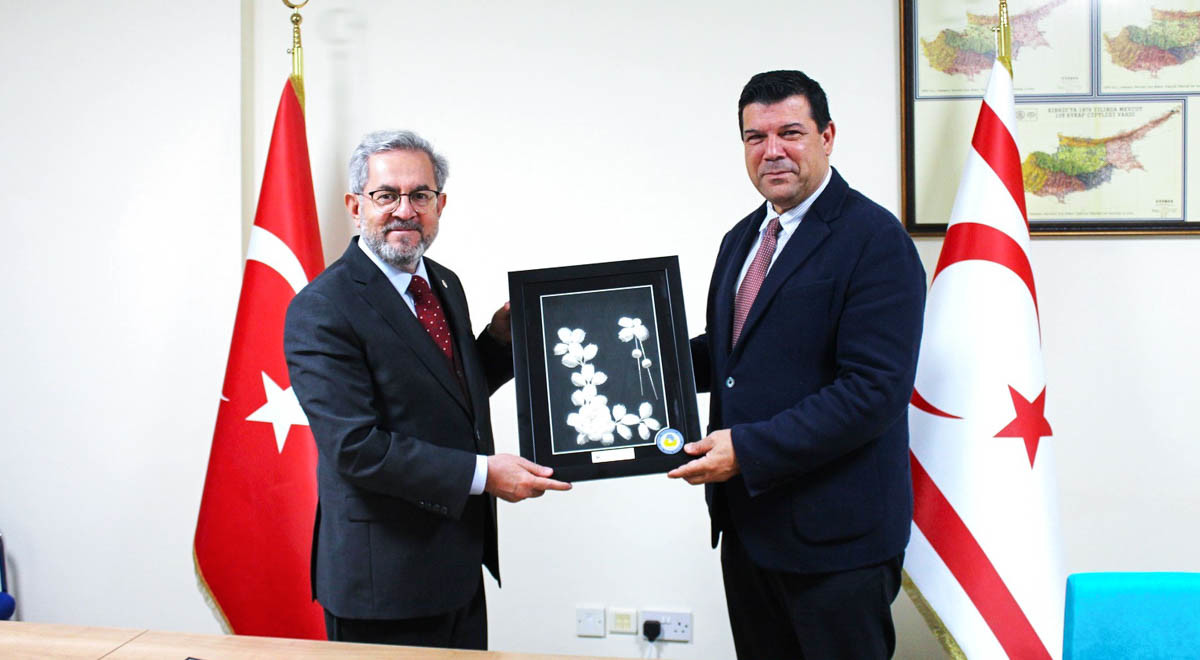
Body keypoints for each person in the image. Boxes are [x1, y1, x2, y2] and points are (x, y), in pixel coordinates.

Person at [668, 70, 926, 658]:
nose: (772, 151)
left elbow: (873, 390)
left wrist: (747, 449)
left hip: (837, 542)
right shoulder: (742, 239)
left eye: (790, 133)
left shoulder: (874, 239)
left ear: (827, 136)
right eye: (755, 137)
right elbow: (732, 354)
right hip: (748, 529)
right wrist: (639, 363)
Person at [284, 130, 571, 649]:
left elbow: (444, 391)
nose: (405, 210)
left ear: (440, 205)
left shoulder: (443, 282)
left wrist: (498, 342)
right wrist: (484, 474)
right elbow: (355, 447)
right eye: (386, 195)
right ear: (356, 206)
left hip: (457, 565)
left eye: (420, 195)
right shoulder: (322, 307)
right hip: (383, 583)